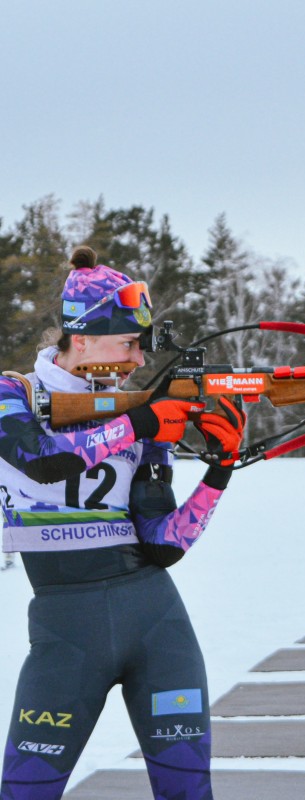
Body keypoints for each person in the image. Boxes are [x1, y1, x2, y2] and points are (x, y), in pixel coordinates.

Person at [0, 246, 245, 800]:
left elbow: (163, 544)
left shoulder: (140, 413)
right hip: (66, 630)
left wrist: (219, 471)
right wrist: (137, 423)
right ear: (80, 339)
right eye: (127, 344)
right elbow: (41, 461)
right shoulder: (13, 394)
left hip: (157, 622)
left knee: (188, 793)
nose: (138, 359)